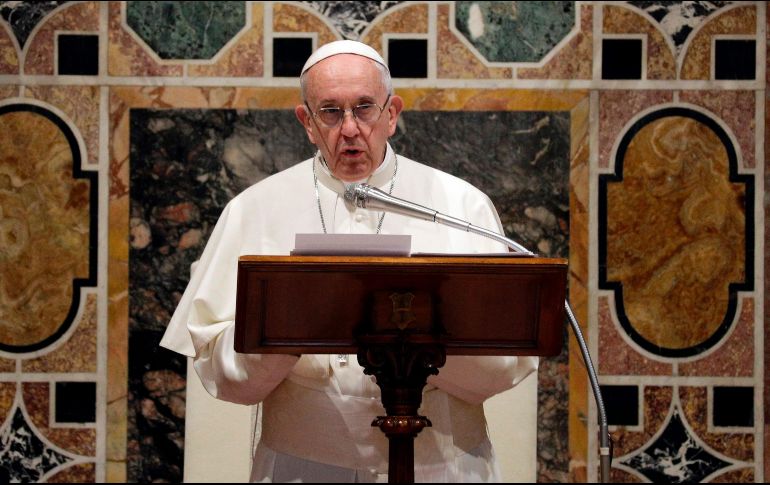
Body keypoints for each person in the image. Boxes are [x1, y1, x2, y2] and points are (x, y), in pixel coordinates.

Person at [161, 40, 538, 482]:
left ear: (392, 114)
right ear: (306, 121)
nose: (350, 129)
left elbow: (505, 363)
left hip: (442, 465)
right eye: (330, 112)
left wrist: (421, 335)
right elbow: (220, 373)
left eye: (364, 109)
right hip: (303, 466)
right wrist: (287, 330)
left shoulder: (460, 204)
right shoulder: (254, 209)